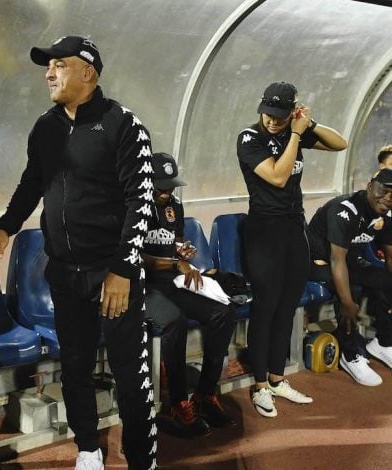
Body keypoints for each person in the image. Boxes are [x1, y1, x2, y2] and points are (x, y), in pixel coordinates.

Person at [0, 36, 156, 470]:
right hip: (63, 272)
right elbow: (30, 185)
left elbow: (143, 201)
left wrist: (122, 269)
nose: (49, 73)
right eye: (48, 66)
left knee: (131, 377)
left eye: (59, 64)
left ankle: (141, 460)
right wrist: (4, 229)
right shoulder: (45, 126)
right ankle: (88, 449)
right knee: (75, 369)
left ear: (88, 72)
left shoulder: (124, 124)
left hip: (112, 275)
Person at [237, 81, 347, 418]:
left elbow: (339, 144)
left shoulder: (294, 130)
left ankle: (276, 378)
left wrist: (308, 125)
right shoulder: (249, 138)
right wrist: (295, 135)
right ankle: (258, 387)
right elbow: (278, 177)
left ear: (292, 113)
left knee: (287, 307)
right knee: (266, 307)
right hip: (263, 232)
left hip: (292, 230)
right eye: (268, 114)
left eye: (280, 117)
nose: (272, 121)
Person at [141, 152, 236, 437]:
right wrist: (175, 262)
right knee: (174, 320)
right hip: (141, 285)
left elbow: (176, 243)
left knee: (224, 312)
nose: (166, 192)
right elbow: (133, 256)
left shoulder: (174, 207)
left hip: (171, 281)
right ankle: (177, 402)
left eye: (170, 186)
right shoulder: (132, 208)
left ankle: (205, 394)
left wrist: (182, 253)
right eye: (161, 186)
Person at [305, 169, 392, 386]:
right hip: (316, 259)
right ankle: (351, 354)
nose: (388, 198)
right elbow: (336, 260)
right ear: (370, 185)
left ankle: (383, 342)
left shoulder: (387, 214)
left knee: (384, 280)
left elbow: (390, 255)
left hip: (349, 258)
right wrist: (346, 302)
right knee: (348, 292)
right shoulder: (345, 209)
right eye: (384, 190)